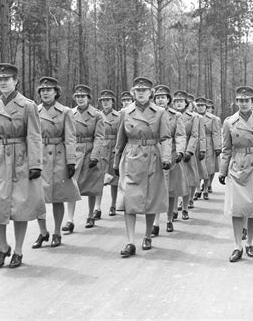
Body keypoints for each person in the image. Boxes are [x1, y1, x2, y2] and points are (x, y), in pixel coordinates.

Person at [0, 63, 45, 269]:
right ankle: (3, 246)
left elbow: (34, 136)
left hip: (21, 158)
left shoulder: (28, 106)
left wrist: (35, 164)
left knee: (20, 206)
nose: (3, 83)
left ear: (16, 81)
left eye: (7, 79)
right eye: (0, 79)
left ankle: (18, 250)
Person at [114, 77, 172, 257]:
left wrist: (167, 157)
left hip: (152, 156)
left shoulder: (160, 113)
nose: (141, 93)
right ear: (132, 93)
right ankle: (130, 241)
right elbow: (120, 138)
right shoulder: (125, 112)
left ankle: (147, 235)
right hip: (131, 157)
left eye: (144, 90)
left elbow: (166, 137)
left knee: (150, 199)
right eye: (137, 90)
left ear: (150, 93)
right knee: (129, 200)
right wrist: (116, 161)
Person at [218, 86, 253, 262]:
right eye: (240, 100)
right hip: (237, 166)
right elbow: (226, 149)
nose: (243, 103)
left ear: (252, 102)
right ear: (236, 102)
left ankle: (249, 243)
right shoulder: (229, 122)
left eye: (246, 100)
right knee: (237, 208)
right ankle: (237, 246)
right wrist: (222, 170)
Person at [32, 77, 81, 249]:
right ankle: (43, 232)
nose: (45, 93)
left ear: (56, 92)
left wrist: (71, 161)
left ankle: (57, 232)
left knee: (58, 197)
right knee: (38, 197)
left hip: (58, 156)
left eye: (49, 90)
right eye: (42, 90)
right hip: (39, 156)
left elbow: (70, 137)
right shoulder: (33, 110)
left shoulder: (65, 111)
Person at [62, 85, 105, 232]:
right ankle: (70, 219)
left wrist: (94, 155)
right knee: (71, 186)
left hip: (90, 151)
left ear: (89, 98)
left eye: (83, 97)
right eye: (78, 97)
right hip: (74, 151)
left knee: (91, 186)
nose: (80, 99)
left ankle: (90, 214)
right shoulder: (69, 113)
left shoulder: (97, 115)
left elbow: (99, 136)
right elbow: (66, 135)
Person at [152, 85, 186, 235]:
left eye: (163, 97)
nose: (160, 100)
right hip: (154, 153)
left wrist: (179, 151)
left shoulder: (176, 116)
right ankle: (155, 222)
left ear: (168, 100)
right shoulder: (150, 114)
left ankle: (169, 219)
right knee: (156, 189)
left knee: (171, 189)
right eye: (158, 97)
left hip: (171, 154)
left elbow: (180, 135)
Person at [94, 90, 121, 219]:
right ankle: (97, 207)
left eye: (108, 100)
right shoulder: (97, 115)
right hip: (101, 148)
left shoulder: (119, 116)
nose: (105, 103)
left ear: (112, 102)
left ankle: (113, 204)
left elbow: (121, 134)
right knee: (99, 178)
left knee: (114, 179)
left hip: (113, 148)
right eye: (103, 101)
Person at [174, 90, 199, 216]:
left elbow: (195, 135)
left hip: (187, 150)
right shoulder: (170, 115)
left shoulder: (193, 117)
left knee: (188, 180)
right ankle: (173, 208)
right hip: (174, 150)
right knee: (175, 180)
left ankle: (185, 207)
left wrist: (189, 151)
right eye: (176, 101)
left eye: (181, 101)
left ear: (186, 103)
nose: (179, 104)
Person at [205, 99, 222, 194]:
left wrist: (217, 146)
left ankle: (209, 184)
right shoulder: (199, 117)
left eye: (210, 108)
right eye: (207, 107)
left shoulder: (215, 119)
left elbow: (217, 133)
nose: (208, 109)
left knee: (211, 166)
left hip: (211, 143)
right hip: (202, 143)